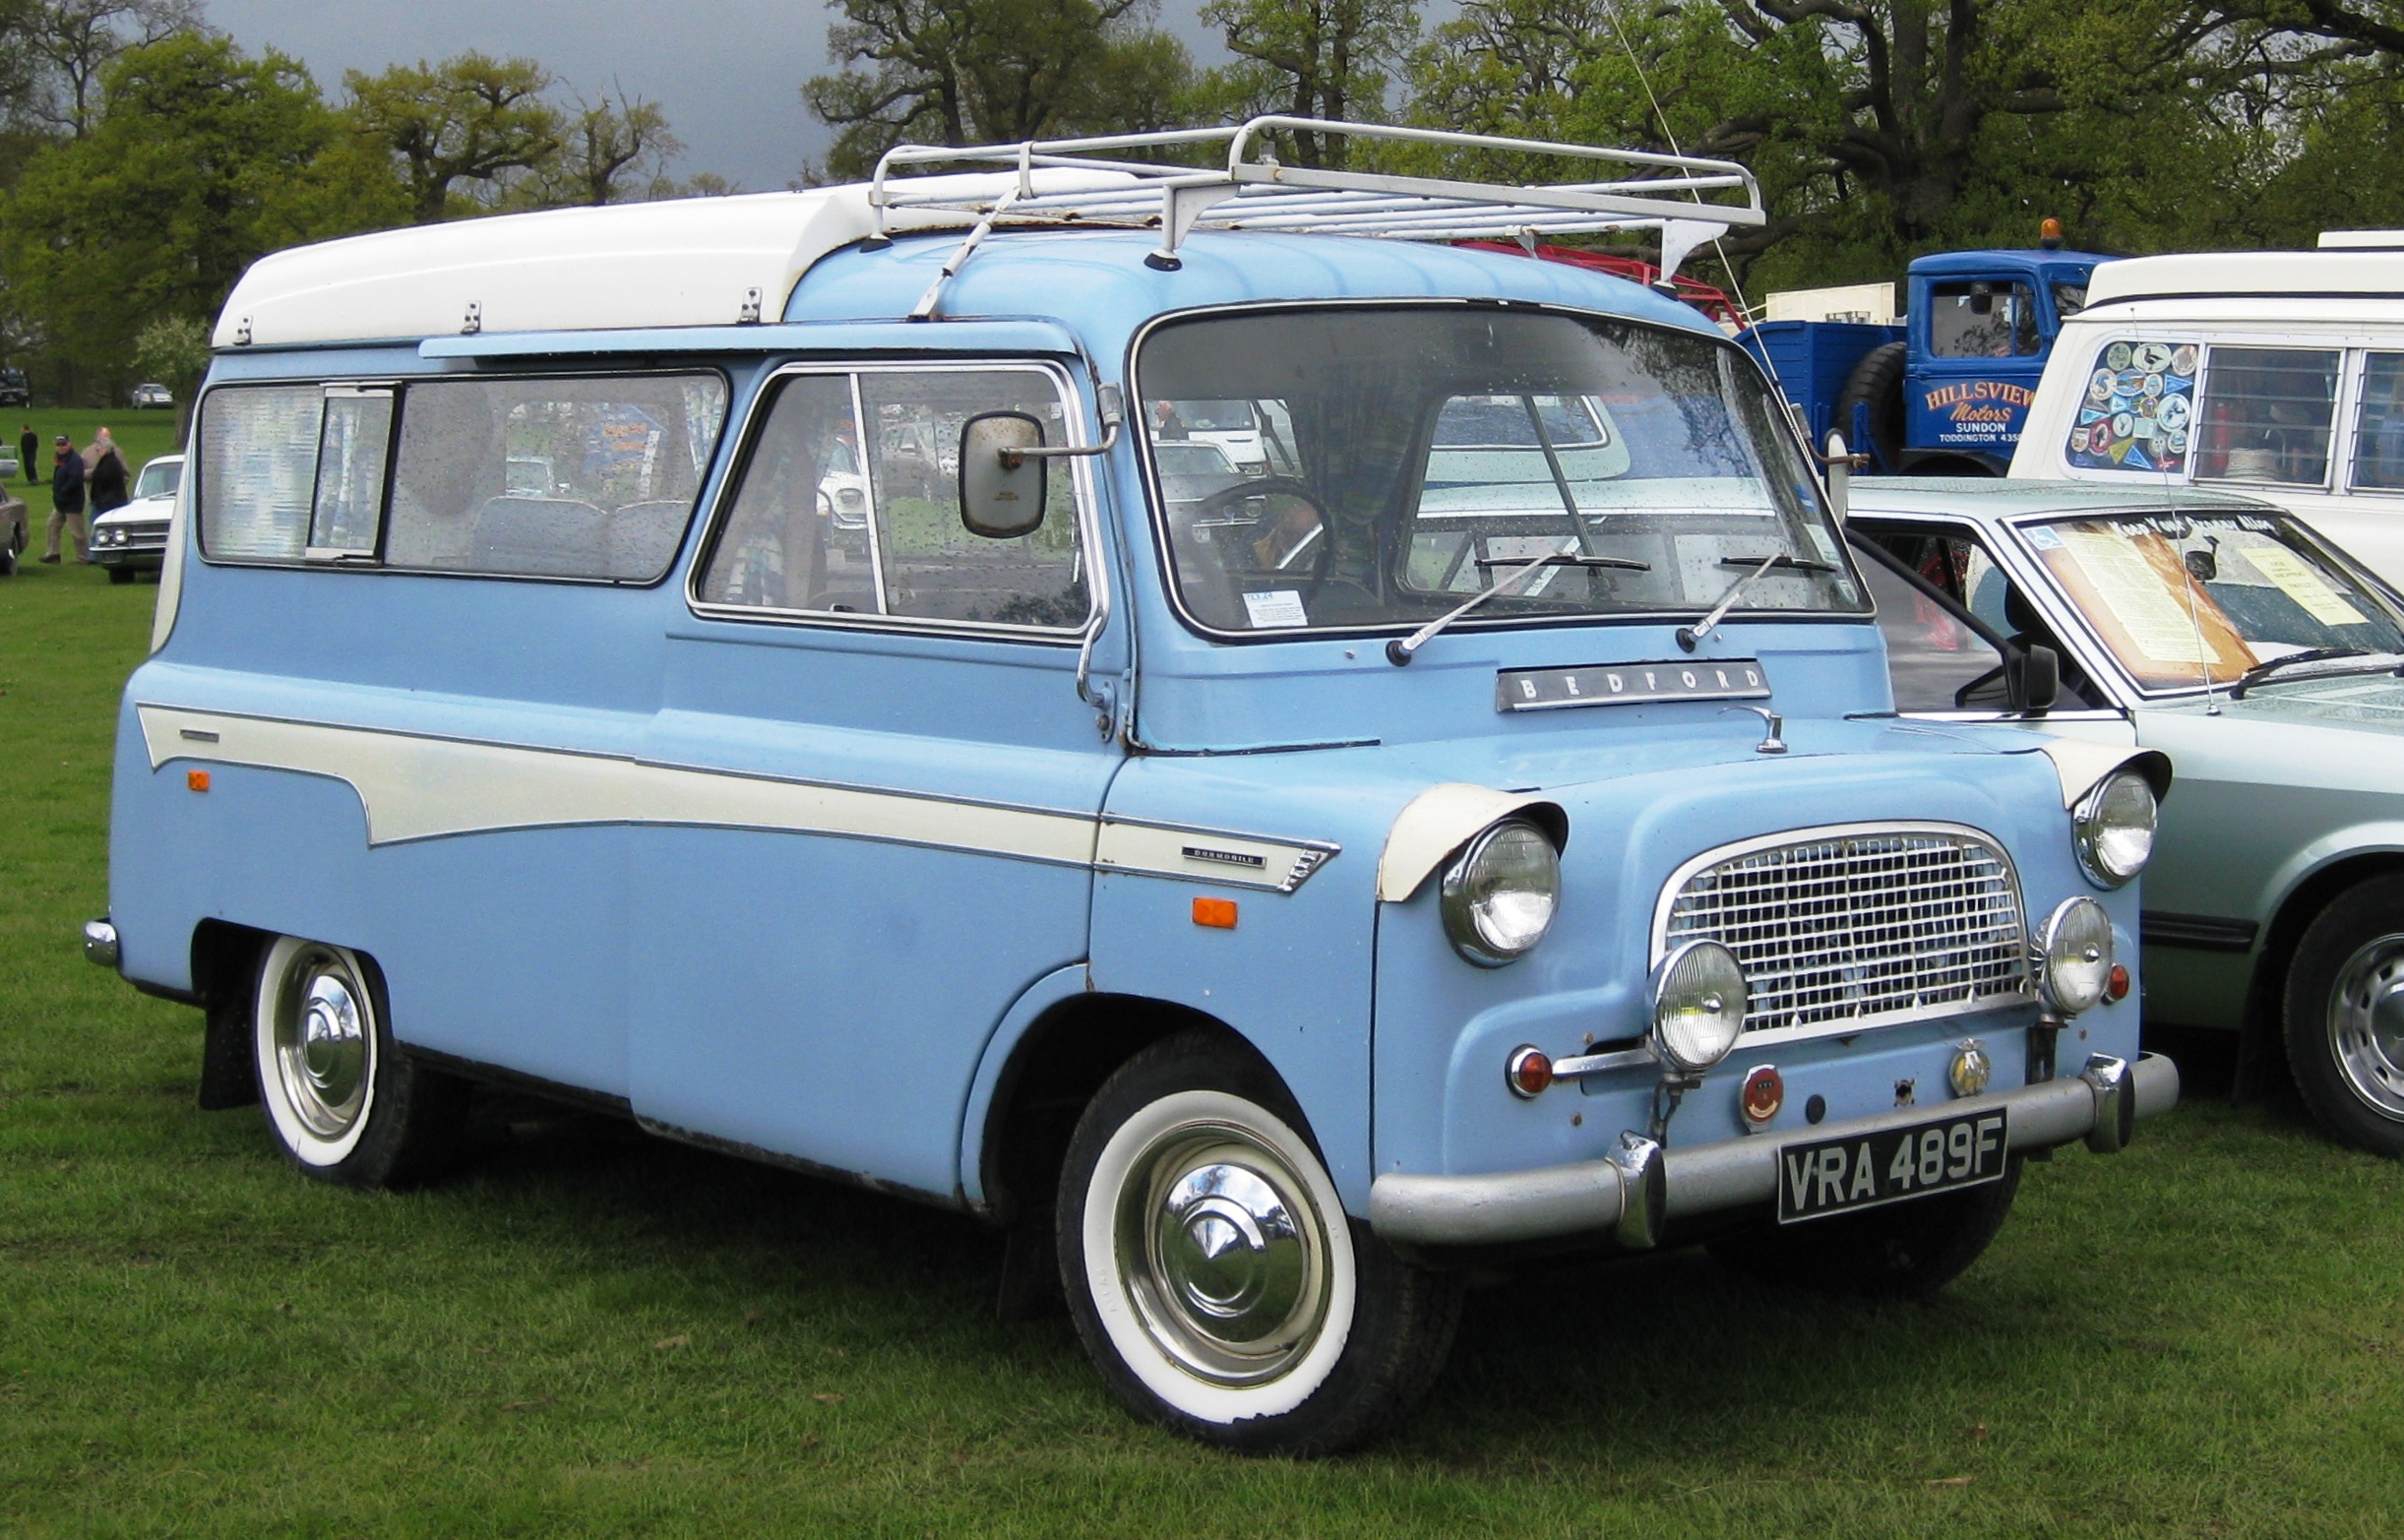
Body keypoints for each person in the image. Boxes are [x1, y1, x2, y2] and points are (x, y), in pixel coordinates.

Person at [41, 432, 85, 564]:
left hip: (72, 501)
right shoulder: (61, 459)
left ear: (69, 444)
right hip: (61, 502)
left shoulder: (74, 459)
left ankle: (82, 557)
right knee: (52, 525)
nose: (61, 447)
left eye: (64, 444)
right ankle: (53, 553)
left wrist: (63, 491)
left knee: (77, 532)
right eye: (59, 444)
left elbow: (76, 479)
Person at [87, 427, 129, 533]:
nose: (97, 449)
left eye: (99, 447)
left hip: (108, 503)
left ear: (106, 448)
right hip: (101, 501)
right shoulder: (88, 453)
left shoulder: (110, 462)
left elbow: (107, 479)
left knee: (98, 528)